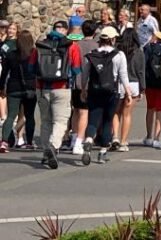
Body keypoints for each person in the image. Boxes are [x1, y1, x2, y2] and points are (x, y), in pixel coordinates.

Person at [30, 20, 81, 169]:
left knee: (46, 121)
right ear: (65, 31)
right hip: (62, 87)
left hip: (41, 87)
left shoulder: (39, 46)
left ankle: (46, 151)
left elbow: (30, 67)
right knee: (60, 121)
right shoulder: (71, 46)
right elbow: (77, 69)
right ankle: (53, 145)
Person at [80, 26, 130, 165]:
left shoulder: (92, 54)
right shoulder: (119, 55)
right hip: (111, 91)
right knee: (108, 121)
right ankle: (102, 152)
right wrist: (128, 92)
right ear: (113, 39)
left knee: (93, 120)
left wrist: (83, 89)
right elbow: (123, 75)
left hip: (94, 90)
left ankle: (89, 140)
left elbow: (85, 74)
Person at [0, 29, 37, 152]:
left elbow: (4, 73)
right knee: (30, 116)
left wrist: (1, 87)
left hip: (13, 88)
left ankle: (4, 142)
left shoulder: (11, 55)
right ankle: (30, 142)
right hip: (30, 88)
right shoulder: (35, 54)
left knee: (11, 116)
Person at [113, 27, 145, 151]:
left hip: (119, 83)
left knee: (116, 112)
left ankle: (114, 137)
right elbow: (141, 72)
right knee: (127, 114)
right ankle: (123, 141)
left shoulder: (118, 51)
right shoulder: (139, 52)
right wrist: (143, 88)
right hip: (133, 84)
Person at [71, 20, 100, 156]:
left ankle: (73, 137)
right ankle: (79, 140)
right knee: (84, 112)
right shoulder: (97, 46)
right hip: (88, 83)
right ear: (95, 32)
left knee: (76, 111)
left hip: (75, 81)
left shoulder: (76, 45)